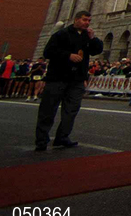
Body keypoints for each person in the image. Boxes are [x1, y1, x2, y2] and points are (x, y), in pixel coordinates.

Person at [35, 10, 103, 151]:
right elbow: (48, 52)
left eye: (89, 20)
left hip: (77, 79)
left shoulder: (86, 36)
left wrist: (93, 38)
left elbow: (97, 50)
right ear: (76, 19)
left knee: (71, 110)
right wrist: (68, 55)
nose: (87, 23)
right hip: (58, 78)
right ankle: (41, 139)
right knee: (48, 110)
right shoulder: (62, 34)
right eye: (84, 20)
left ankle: (63, 136)